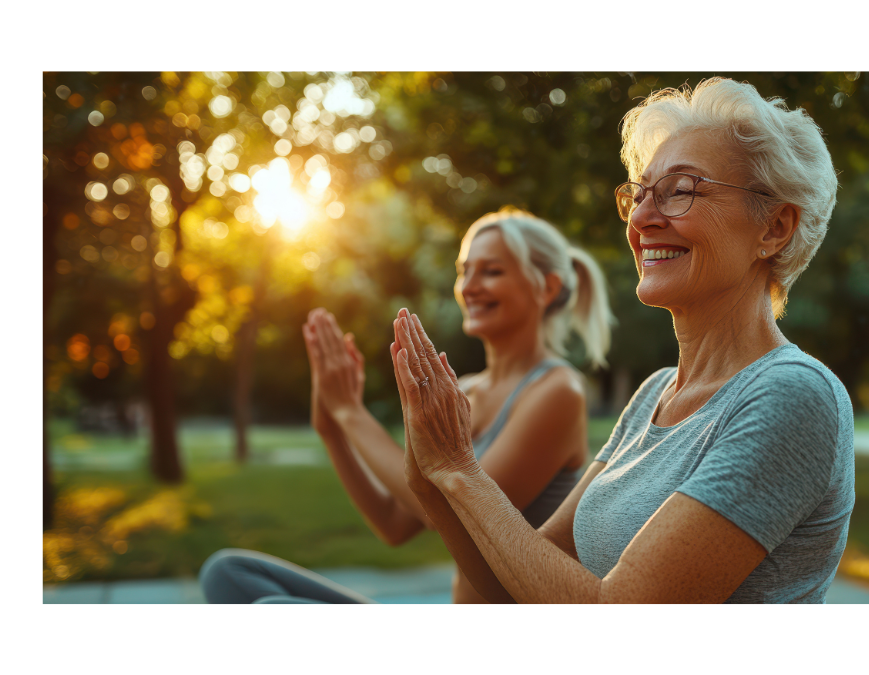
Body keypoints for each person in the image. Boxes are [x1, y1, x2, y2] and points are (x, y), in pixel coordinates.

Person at [392, 77, 854, 604]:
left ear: (774, 227)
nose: (640, 219)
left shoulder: (794, 395)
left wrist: (460, 472)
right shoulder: (653, 395)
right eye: (639, 194)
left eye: (680, 191)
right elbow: (514, 585)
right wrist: (433, 477)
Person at [199, 209, 614, 604]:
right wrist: (332, 429)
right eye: (464, 270)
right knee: (229, 573)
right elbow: (394, 525)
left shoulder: (558, 392)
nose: (469, 286)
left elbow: (443, 513)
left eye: (492, 271)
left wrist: (351, 414)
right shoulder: (464, 391)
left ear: (547, 287)